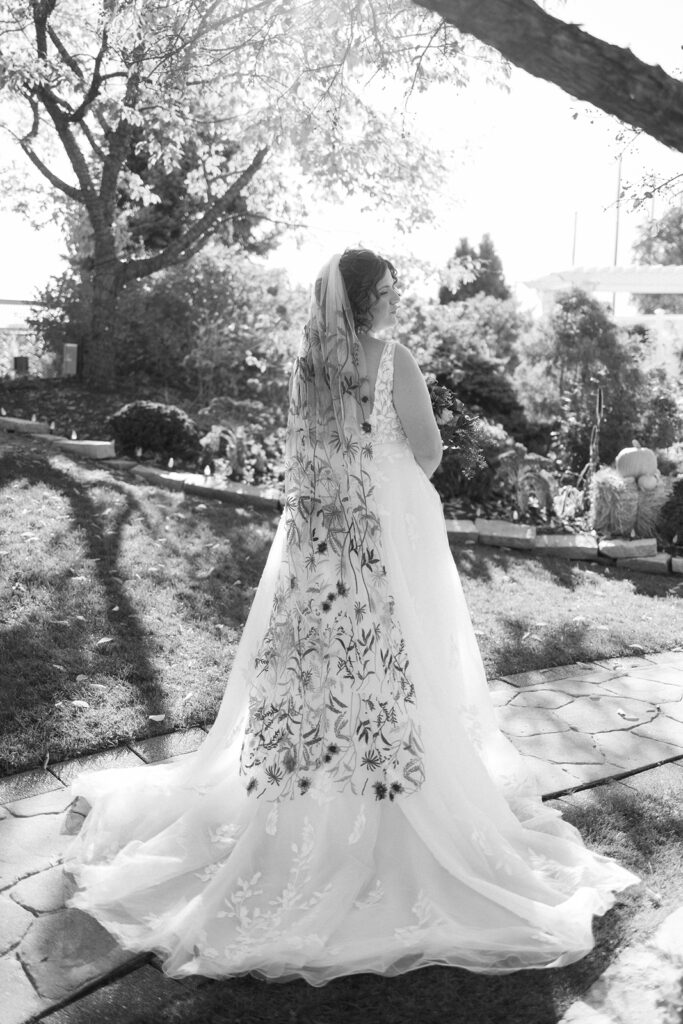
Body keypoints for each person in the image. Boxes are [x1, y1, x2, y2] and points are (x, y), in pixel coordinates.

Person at [64, 249, 639, 984]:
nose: (396, 300)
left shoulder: (308, 363)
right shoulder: (392, 358)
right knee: (403, 655)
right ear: (369, 299)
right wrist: (393, 483)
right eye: (390, 290)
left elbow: (303, 456)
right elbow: (426, 448)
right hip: (390, 522)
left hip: (320, 533)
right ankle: (394, 795)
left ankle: (315, 783)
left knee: (323, 659)